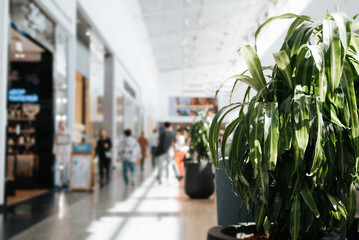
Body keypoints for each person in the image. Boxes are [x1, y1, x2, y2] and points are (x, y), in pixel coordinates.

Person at [53, 121, 71, 189]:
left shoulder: (68, 131)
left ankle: (66, 181)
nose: (62, 125)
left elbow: (70, 141)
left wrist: (71, 150)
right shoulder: (57, 132)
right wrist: (54, 152)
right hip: (60, 151)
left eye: (63, 123)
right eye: (61, 124)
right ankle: (60, 182)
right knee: (60, 167)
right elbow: (55, 142)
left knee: (67, 166)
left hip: (66, 151)